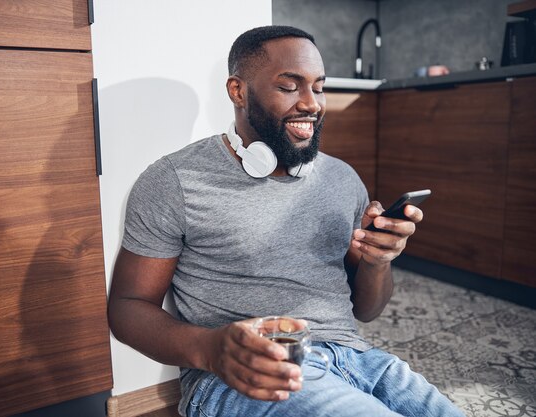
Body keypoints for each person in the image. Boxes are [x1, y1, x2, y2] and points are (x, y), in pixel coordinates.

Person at [107, 25, 465, 417]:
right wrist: (210, 350)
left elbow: (366, 310)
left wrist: (378, 262)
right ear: (238, 91)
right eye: (290, 86)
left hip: (360, 361)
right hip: (245, 377)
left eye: (319, 87)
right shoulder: (174, 181)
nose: (312, 103)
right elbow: (127, 307)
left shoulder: (342, 179)